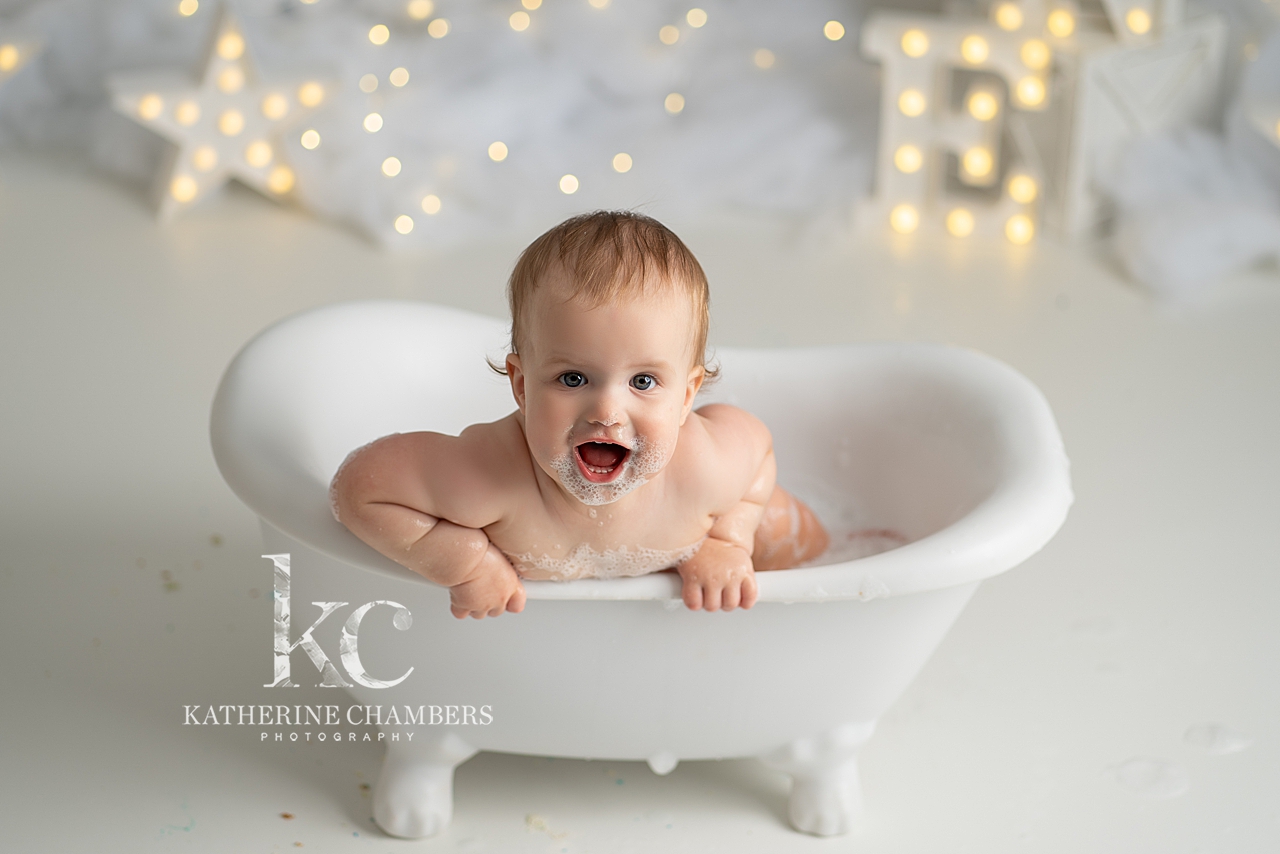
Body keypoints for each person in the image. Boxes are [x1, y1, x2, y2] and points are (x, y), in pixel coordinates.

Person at [330, 211, 828, 618]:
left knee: (796, 537)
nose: (608, 412)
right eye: (573, 379)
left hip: (703, 548)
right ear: (522, 386)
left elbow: (758, 448)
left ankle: (839, 574)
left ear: (686, 396)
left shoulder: (704, 468)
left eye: (643, 382)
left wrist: (727, 538)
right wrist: (468, 564)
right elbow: (359, 489)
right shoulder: (488, 475)